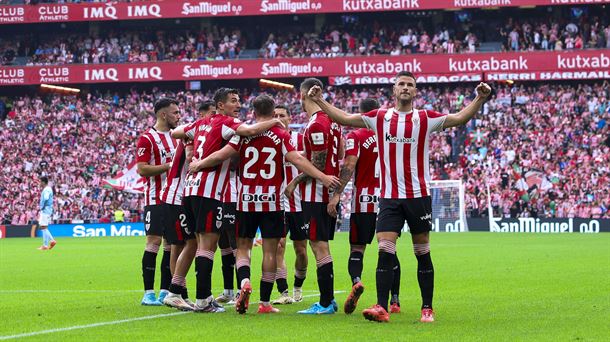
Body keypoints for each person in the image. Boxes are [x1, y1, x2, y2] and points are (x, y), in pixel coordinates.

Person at [307, 71, 492, 322]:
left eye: (410, 85)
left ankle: (427, 308)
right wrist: (320, 100)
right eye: (401, 84)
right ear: (394, 91)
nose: (405, 88)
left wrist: (479, 99)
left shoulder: (425, 118)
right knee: (385, 249)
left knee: (421, 251)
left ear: (415, 92)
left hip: (418, 196)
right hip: (389, 198)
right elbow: (346, 117)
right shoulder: (379, 117)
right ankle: (382, 307)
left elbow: (459, 118)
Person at [189, 94, 339, 314]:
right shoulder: (281, 134)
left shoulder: (242, 133)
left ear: (253, 112)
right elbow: (296, 159)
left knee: (242, 248)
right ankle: (266, 303)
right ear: (272, 113)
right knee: (270, 253)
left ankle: (244, 283)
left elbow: (226, 156)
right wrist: (322, 176)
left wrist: (198, 162)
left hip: (245, 200)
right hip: (272, 201)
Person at [178, 88, 283, 313]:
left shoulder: (202, 123)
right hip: (209, 190)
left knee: (202, 244)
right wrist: (275, 122)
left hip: (191, 189)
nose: (238, 104)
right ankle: (204, 300)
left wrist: (192, 141)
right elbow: (251, 129)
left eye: (239, 100)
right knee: (208, 245)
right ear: (220, 105)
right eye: (233, 101)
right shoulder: (227, 123)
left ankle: (202, 294)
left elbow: (176, 132)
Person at [328, 98, 402, 315]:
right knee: (389, 250)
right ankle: (395, 301)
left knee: (357, 249)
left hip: (363, 201)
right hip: (389, 200)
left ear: (360, 114)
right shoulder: (391, 135)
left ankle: (356, 282)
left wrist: (337, 194)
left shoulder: (356, 136)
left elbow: (349, 165)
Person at [285, 78, 343, 315]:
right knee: (320, 245)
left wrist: (295, 181)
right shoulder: (334, 122)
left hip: (316, 193)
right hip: (325, 192)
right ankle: (327, 300)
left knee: (319, 246)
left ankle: (327, 302)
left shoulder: (316, 124)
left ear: (302, 96)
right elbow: (339, 154)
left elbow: (318, 161)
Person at [160, 102, 215, 311]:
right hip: (176, 195)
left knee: (186, 244)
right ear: (203, 115)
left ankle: (178, 292)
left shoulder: (196, 130)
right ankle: (177, 293)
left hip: (179, 193)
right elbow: (192, 158)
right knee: (183, 244)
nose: (214, 117)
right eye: (211, 113)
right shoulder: (195, 131)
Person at [136, 98, 180, 306]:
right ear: (163, 115)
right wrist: (167, 166)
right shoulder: (147, 138)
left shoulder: (177, 137)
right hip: (155, 198)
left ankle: (165, 290)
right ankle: (148, 293)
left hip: (174, 198)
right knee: (153, 242)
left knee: (170, 245)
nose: (178, 116)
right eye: (175, 113)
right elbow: (142, 169)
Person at [272, 105, 306, 305]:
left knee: (301, 250)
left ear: (289, 118)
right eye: (274, 115)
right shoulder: (269, 141)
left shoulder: (300, 139)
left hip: (300, 204)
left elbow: (312, 166)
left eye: (282, 115)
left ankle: (298, 286)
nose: (278, 119)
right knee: (278, 246)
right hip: (277, 203)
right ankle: (283, 292)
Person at [37, 176, 56, 251]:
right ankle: (47, 244)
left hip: (45, 210)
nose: (39, 183)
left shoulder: (47, 189)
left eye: (40, 182)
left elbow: (46, 198)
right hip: (46, 210)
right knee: (43, 227)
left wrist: (43, 207)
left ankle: (50, 242)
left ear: (43, 182)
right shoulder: (47, 189)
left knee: (43, 227)